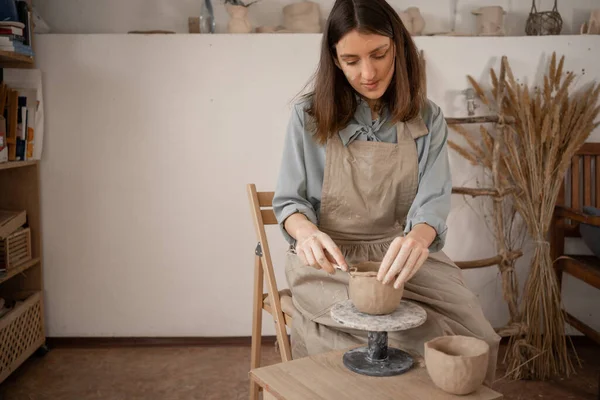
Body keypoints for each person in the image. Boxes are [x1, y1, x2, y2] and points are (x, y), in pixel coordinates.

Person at [272, 0, 500, 384]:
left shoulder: (427, 118)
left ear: (398, 46)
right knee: (396, 337)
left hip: (400, 254)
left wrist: (418, 238)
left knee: (474, 337)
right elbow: (290, 202)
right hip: (333, 261)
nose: (368, 72)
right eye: (351, 60)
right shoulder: (308, 117)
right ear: (335, 60)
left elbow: (432, 201)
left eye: (379, 54)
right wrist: (306, 233)